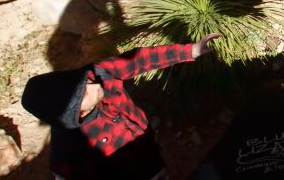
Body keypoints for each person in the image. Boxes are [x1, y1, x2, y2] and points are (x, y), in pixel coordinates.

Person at [21, 34, 219, 179]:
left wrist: (189, 51)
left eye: (84, 82)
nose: (94, 85)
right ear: (77, 113)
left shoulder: (96, 73)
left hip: (145, 146)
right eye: (85, 93)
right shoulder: (69, 150)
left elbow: (139, 60)